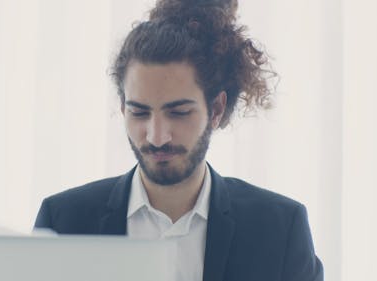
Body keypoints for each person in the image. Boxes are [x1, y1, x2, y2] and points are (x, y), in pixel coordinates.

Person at [34, 0, 323, 280]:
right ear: (123, 108)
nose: (157, 136)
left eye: (179, 112)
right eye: (139, 112)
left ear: (216, 110)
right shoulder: (63, 221)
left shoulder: (280, 228)